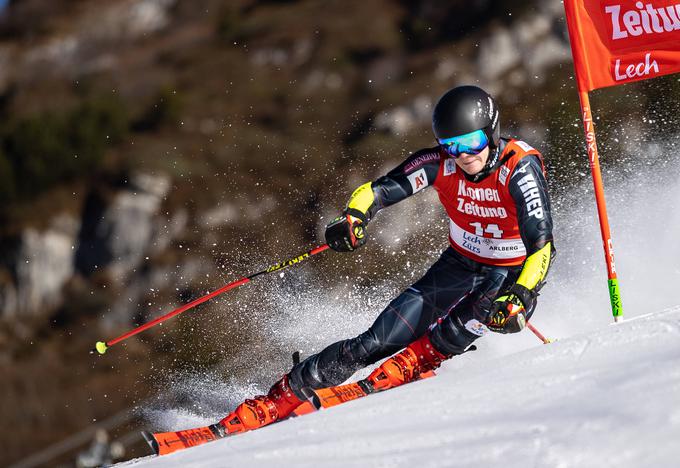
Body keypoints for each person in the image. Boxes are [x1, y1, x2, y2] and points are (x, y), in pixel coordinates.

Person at [218, 85, 555, 434]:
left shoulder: (519, 167)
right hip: (460, 263)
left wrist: (522, 294)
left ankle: (417, 363)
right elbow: (377, 190)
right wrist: (353, 217)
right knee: (373, 343)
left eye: (471, 142)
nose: (463, 155)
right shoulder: (439, 163)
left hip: (511, 273)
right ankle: (279, 398)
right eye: (452, 145)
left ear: (491, 132)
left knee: (456, 330)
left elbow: (542, 247)